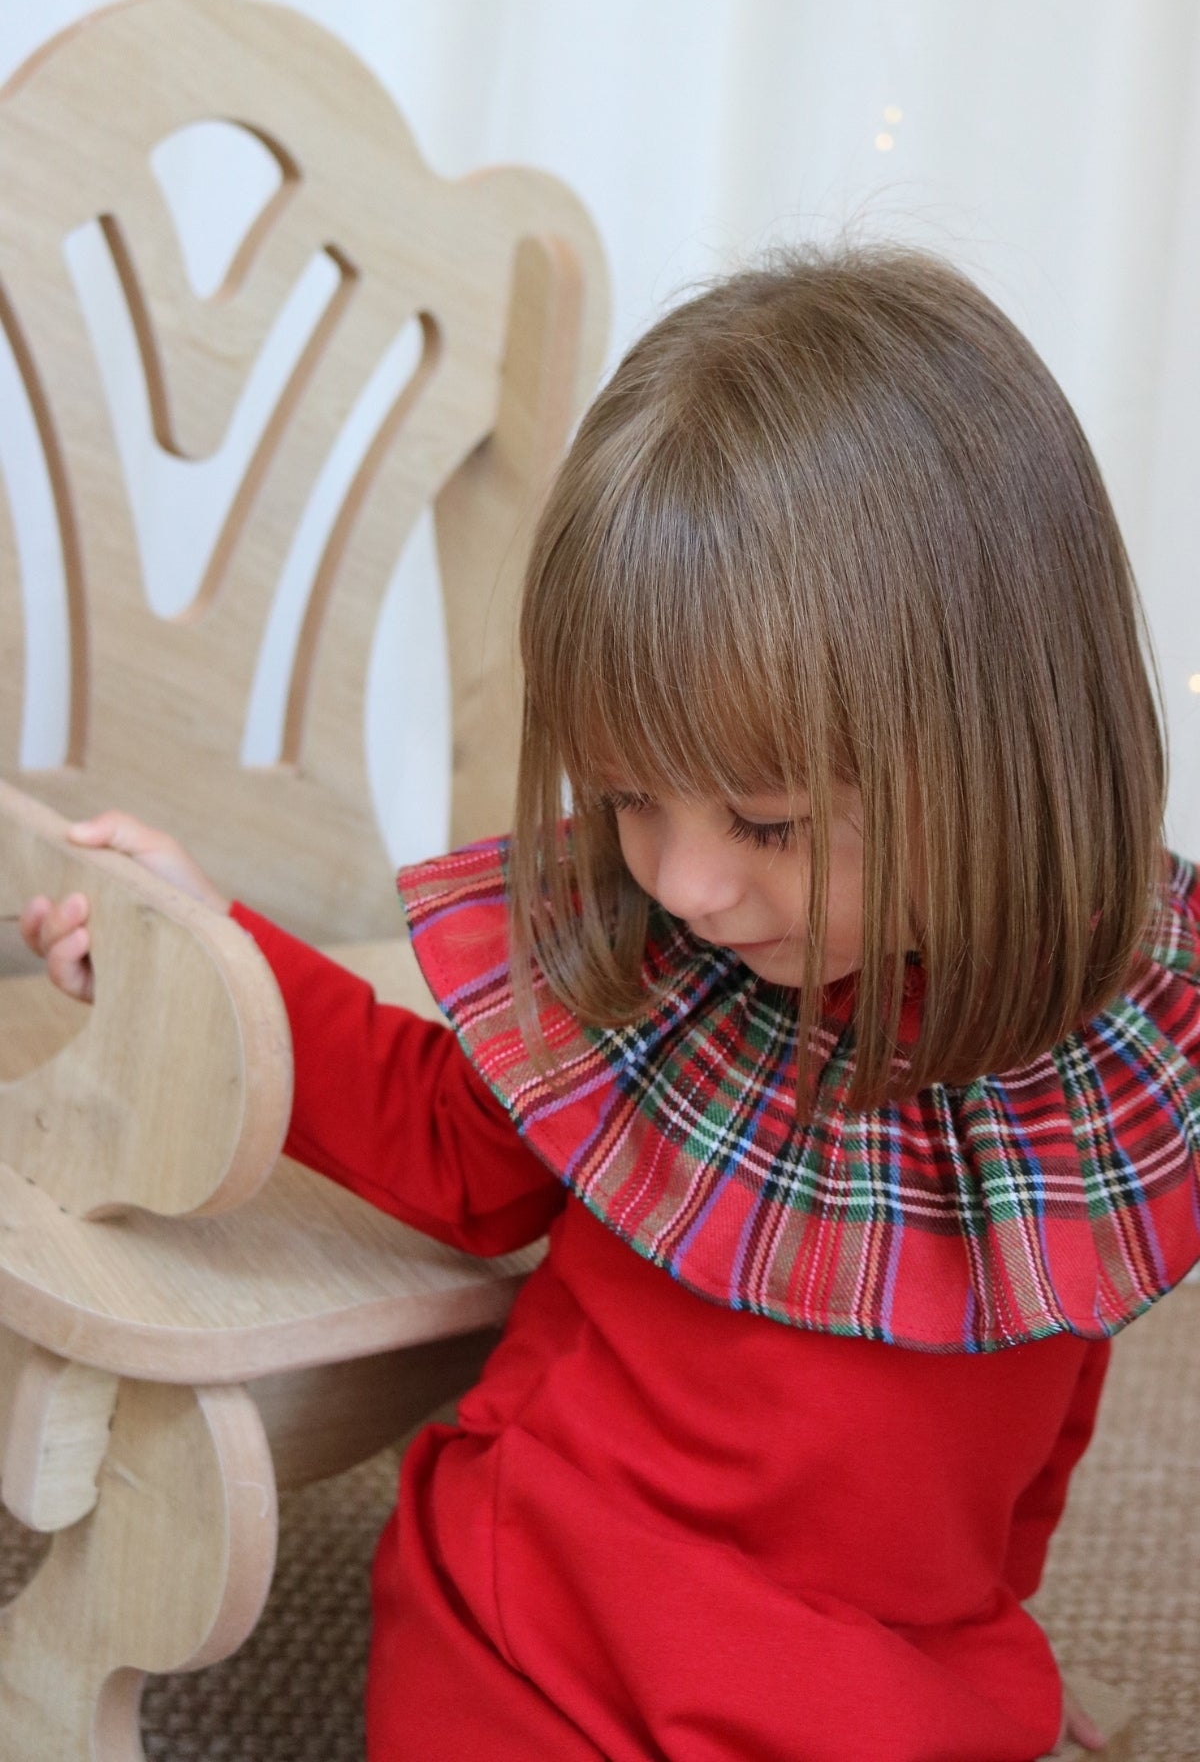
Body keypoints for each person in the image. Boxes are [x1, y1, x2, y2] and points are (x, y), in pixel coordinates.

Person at [20, 247, 1199, 1762]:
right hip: (549, 1607)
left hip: (880, 1672)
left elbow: (1061, 1363)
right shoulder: (665, 956)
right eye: (631, 796)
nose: (690, 882)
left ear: (994, 767)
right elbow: (449, 1141)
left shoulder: (1105, 1046)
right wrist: (213, 953)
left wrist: (992, 1623)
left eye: (765, 825)